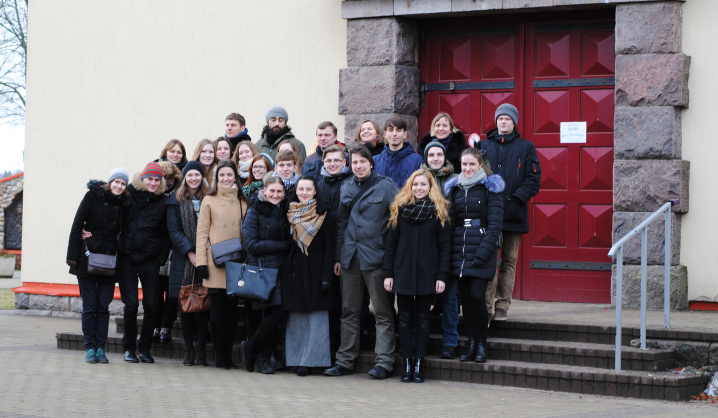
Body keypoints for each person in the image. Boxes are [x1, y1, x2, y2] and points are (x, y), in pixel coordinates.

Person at [324, 145, 399, 380]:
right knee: (349, 311)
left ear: (371, 163)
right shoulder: (346, 187)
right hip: (349, 259)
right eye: (354, 162)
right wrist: (338, 257)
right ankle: (345, 360)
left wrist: (390, 260)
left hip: (376, 258)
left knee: (382, 312)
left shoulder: (387, 187)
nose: (358, 166)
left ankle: (384, 361)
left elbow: (396, 224)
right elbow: (340, 226)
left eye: (362, 162)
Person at [384, 168, 451, 383]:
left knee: (423, 319)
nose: (419, 188)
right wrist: (388, 274)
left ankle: (419, 364)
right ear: (410, 186)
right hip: (402, 273)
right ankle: (407, 364)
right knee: (404, 318)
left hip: (427, 274)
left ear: (431, 188)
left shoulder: (439, 212)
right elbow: (391, 246)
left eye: (424, 184)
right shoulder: (399, 210)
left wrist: (441, 276)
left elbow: (445, 248)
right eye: (415, 184)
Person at [478, 103, 541, 322]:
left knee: (509, 260)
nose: (503, 122)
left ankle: (502, 306)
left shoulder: (526, 147)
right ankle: (485, 307)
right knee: (488, 260)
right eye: (500, 119)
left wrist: (515, 199)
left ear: (514, 122)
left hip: (514, 213)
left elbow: (533, 179)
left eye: (507, 119)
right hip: (488, 214)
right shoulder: (482, 146)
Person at [445, 148, 505, 363]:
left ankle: (481, 344)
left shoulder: (491, 189)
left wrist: (482, 253)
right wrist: (449, 254)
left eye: (472, 164)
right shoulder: (455, 190)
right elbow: (451, 224)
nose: (468, 168)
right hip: (460, 253)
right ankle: (470, 344)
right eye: (464, 165)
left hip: (482, 252)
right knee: (467, 300)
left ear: (481, 165)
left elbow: (495, 225)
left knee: (478, 297)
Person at [66, 168, 130, 364]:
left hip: (110, 260)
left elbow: (126, 232)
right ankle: (90, 348)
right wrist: (72, 257)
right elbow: (77, 225)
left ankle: (101, 348)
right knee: (89, 307)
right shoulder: (93, 196)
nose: (119, 186)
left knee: (103, 307)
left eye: (123, 183)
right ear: (110, 182)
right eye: (116, 182)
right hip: (87, 258)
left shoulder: (124, 204)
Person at [195, 160, 248, 369]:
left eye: (229, 175)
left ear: (235, 177)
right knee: (217, 311)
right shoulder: (209, 200)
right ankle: (219, 356)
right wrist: (201, 262)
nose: (226, 179)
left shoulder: (243, 201)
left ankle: (227, 354)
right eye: (222, 175)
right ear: (217, 178)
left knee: (232, 312)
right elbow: (202, 233)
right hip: (215, 261)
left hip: (236, 261)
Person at [118, 162, 172, 364]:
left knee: (151, 306)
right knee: (131, 305)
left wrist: (161, 257)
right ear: (142, 178)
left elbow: (166, 234)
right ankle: (129, 349)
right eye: (149, 178)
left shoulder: (163, 201)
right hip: (127, 258)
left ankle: (145, 349)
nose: (153, 183)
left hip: (150, 260)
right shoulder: (129, 195)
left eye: (157, 180)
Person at [280, 176, 335, 376]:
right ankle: (295, 359)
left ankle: (313, 360)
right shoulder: (288, 213)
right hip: (293, 270)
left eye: (308, 189)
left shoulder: (324, 214)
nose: (304, 192)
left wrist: (327, 276)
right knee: (296, 318)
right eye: (300, 189)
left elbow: (330, 247)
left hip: (317, 270)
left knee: (317, 317)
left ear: (314, 191)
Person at [240, 177, 292, 374]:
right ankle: (254, 351)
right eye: (272, 191)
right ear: (265, 190)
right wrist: (282, 246)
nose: (276, 195)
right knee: (276, 313)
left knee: (272, 314)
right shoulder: (254, 211)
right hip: (262, 270)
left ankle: (261, 358)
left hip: (282, 270)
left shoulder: (286, 211)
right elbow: (251, 245)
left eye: (280, 192)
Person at [305, 144, 351, 350]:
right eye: (328, 161)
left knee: (345, 305)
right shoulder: (318, 185)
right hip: (322, 255)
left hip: (346, 252)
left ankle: (341, 348)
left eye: (337, 161)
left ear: (344, 162)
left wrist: (340, 257)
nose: (332, 164)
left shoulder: (351, 184)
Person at [166, 160, 211, 366]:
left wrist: (203, 252)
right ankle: (189, 350)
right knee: (186, 304)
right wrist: (191, 252)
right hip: (183, 259)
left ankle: (201, 350)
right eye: (190, 175)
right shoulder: (174, 201)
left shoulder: (210, 198)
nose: (194, 178)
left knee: (204, 305)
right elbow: (174, 231)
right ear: (184, 177)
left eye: (197, 174)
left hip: (207, 257)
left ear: (202, 177)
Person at [421, 140, 460, 359]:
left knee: (450, 298)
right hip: (424, 247)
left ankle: (450, 342)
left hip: (448, 244)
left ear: (445, 157)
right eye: (431, 155)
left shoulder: (454, 180)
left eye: (439, 154)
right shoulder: (419, 180)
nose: (435, 158)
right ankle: (420, 342)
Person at [153, 161, 182, 344]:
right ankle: (156, 326)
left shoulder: (179, 195)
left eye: (171, 177)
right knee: (156, 292)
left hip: (174, 250)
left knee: (171, 293)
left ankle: (166, 327)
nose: (168, 181)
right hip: (156, 250)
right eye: (165, 177)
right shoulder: (153, 195)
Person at [374, 117, 422, 188]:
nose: (394, 134)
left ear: (405, 134)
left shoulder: (417, 160)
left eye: (398, 130)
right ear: (385, 134)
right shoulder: (375, 161)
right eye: (391, 130)